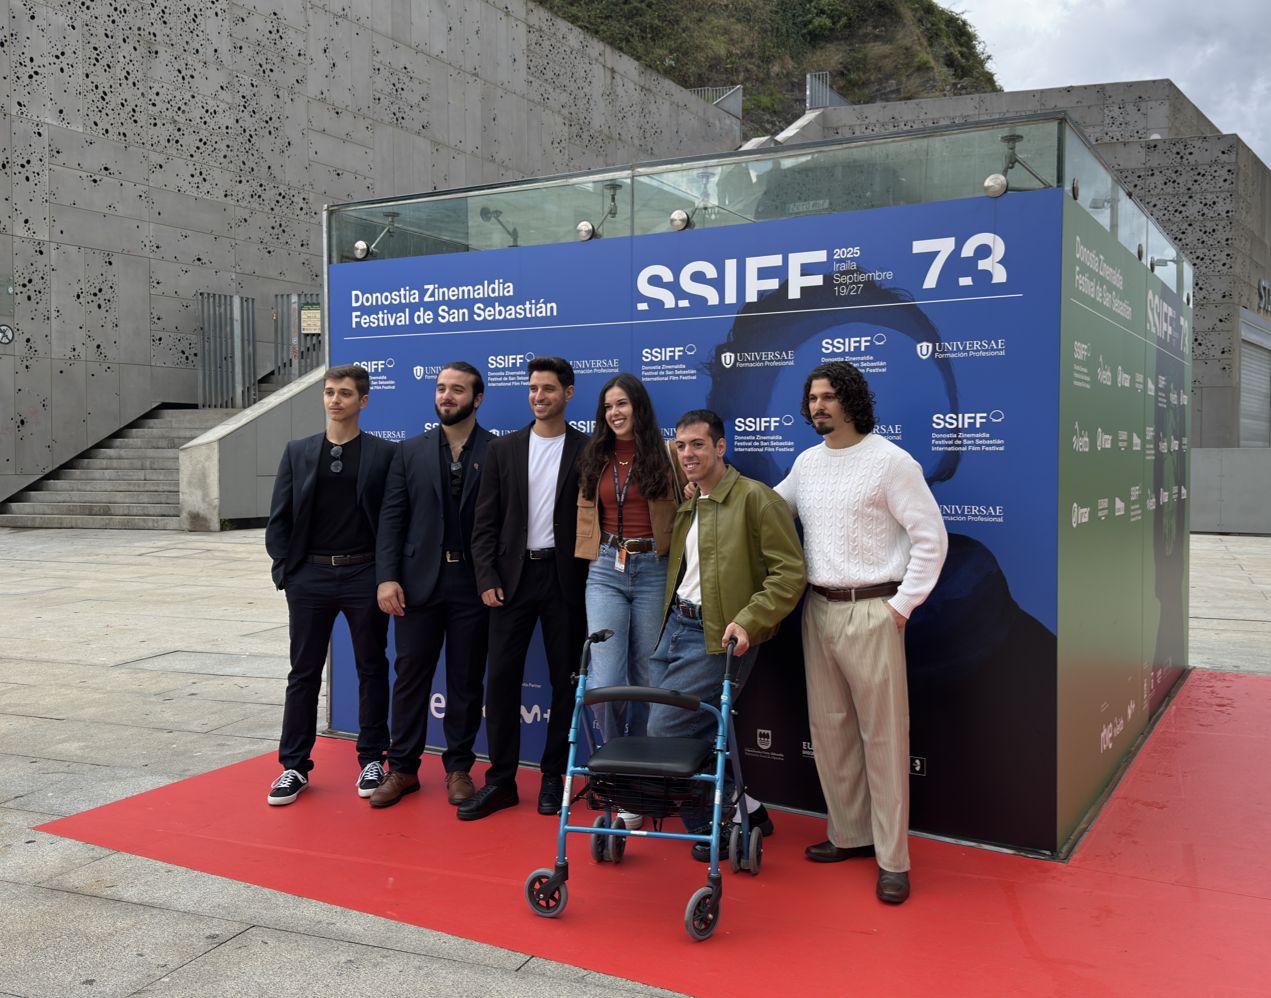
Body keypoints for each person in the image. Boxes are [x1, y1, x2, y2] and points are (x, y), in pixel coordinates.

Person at [773, 361, 947, 904]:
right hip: (817, 609)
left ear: (851, 400)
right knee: (829, 732)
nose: (818, 406)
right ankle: (848, 835)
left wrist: (902, 606)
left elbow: (931, 537)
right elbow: (767, 509)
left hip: (874, 609)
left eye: (828, 397)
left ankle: (893, 859)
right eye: (812, 398)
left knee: (885, 739)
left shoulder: (891, 462)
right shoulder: (806, 463)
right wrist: (710, 486)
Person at [648, 409, 805, 858]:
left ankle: (708, 827)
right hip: (675, 628)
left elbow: (789, 575)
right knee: (691, 729)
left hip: (719, 634)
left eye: (698, 444)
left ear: (721, 447)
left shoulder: (758, 500)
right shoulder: (692, 500)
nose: (688, 454)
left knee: (669, 729)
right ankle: (749, 811)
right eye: (680, 446)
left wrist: (750, 620)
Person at [264, 364, 397, 806]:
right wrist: (288, 570)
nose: (335, 400)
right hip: (310, 577)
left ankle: (372, 759)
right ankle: (294, 768)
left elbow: (393, 521)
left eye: (344, 393)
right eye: (329, 392)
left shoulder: (383, 454)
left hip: (364, 574)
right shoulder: (297, 451)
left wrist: (384, 575)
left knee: (372, 668)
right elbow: (279, 517)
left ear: (364, 400)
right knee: (303, 673)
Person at [463, 356, 589, 820]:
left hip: (564, 580)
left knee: (563, 681)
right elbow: (485, 522)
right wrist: (487, 577)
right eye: (533, 389)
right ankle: (501, 781)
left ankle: (554, 776)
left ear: (568, 393)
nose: (539, 396)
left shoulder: (587, 449)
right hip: (510, 581)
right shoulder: (504, 449)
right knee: (500, 682)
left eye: (549, 389)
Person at [370, 362, 493, 808]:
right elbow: (392, 520)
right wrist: (386, 577)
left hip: (472, 586)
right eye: (441, 388)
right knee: (410, 678)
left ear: (476, 399)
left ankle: (459, 767)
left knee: (464, 681)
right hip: (417, 583)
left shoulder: (496, 451)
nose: (446, 396)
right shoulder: (409, 452)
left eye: (457, 390)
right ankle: (402, 768)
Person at [575, 373, 681, 830]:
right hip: (604, 569)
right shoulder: (595, 455)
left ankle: (645, 774)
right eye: (608, 406)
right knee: (606, 678)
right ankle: (615, 770)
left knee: (648, 676)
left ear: (639, 407)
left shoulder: (670, 454)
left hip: (653, 568)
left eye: (622, 404)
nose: (614, 413)